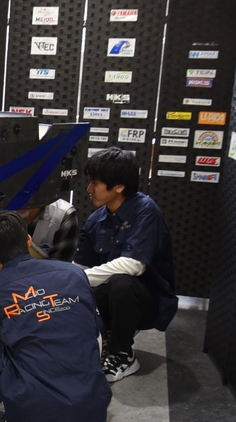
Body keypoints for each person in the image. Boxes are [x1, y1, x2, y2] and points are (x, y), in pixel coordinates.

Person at [0, 211, 112, 422]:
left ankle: (27, 419)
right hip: (95, 402)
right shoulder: (73, 272)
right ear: (28, 240)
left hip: (38, 410)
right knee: (84, 325)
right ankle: (63, 412)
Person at [75, 147, 177, 383]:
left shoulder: (146, 210)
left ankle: (122, 354)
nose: (89, 190)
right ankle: (98, 338)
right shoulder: (96, 219)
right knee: (74, 289)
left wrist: (79, 279)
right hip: (111, 297)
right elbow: (82, 267)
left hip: (147, 302)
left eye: (95, 183)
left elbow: (134, 265)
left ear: (119, 186)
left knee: (121, 283)